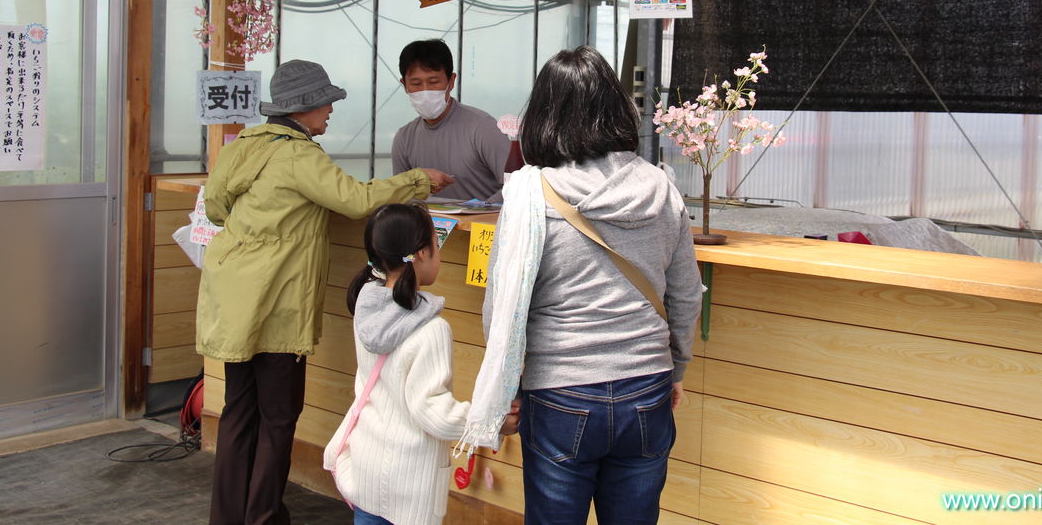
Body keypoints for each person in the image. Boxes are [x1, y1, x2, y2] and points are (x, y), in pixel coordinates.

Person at [197, 59, 454, 525]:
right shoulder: (298, 155)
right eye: (327, 104)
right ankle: (264, 518)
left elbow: (215, 208)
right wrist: (419, 179)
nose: (331, 112)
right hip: (274, 302)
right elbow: (354, 200)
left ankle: (229, 517)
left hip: (231, 299)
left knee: (238, 412)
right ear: (305, 108)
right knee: (277, 416)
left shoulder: (239, 148)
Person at [463, 46, 704, 525]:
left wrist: (507, 385)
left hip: (559, 393)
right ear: (616, 107)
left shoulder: (531, 192)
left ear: (544, 114)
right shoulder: (661, 187)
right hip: (647, 387)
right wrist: (674, 368)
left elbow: (504, 303)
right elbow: (686, 293)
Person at [325, 202, 514, 525]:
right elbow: (434, 414)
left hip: (365, 467)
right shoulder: (431, 330)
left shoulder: (366, 309)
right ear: (421, 254)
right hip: (409, 485)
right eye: (437, 246)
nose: (438, 254)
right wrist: (491, 424)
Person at [391, 39, 511, 201]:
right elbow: (402, 195)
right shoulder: (404, 138)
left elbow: (518, 185)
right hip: (425, 224)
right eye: (416, 83)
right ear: (404, 84)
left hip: (483, 224)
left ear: (451, 81)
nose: (425, 91)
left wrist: (478, 211)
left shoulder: (482, 127)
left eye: (434, 82)